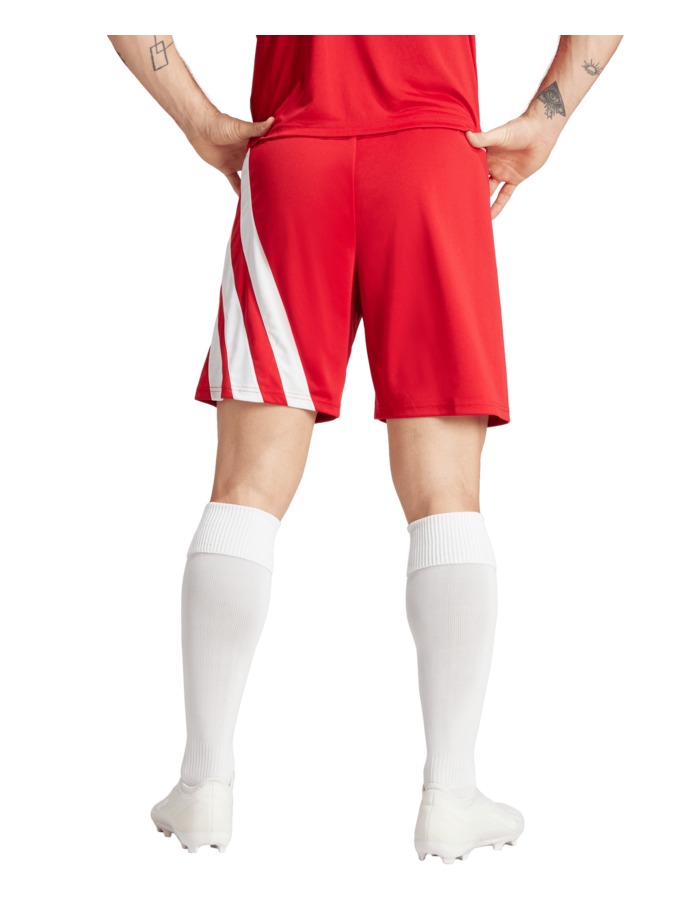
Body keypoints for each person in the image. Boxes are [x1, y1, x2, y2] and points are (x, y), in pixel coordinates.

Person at [108, 34, 623, 862]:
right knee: (445, 493)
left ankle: (204, 786)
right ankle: (450, 794)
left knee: (246, 486)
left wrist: (199, 119)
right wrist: (547, 116)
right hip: (436, 160)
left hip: (294, 154)